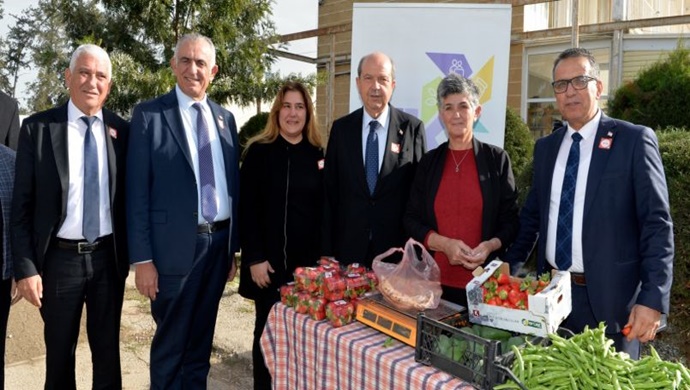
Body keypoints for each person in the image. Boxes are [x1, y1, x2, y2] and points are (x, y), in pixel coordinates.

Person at [504, 48, 674, 359]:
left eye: (579, 81)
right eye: (560, 85)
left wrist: (652, 299)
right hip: (552, 299)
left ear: (598, 86)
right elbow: (532, 217)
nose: (569, 92)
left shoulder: (633, 141)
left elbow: (656, 225)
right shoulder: (546, 148)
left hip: (613, 302)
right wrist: (510, 266)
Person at [11, 44, 130, 389]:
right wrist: (26, 269)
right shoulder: (37, 129)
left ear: (109, 85)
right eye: (84, 72)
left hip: (109, 259)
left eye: (101, 76)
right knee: (59, 355)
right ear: (68, 77)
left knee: (108, 355)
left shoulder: (123, 132)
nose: (92, 82)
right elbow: (20, 207)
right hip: (59, 263)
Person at [126, 33, 240, 389]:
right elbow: (136, 193)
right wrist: (142, 259)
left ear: (214, 71)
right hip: (172, 252)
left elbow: (231, 186)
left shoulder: (225, 119)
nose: (193, 69)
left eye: (201, 63)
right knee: (170, 348)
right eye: (186, 61)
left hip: (217, 247)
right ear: (173, 65)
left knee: (200, 346)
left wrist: (232, 248)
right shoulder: (149, 116)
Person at [404, 74, 519, 307]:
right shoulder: (429, 163)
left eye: (463, 106)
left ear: (476, 112)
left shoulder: (497, 160)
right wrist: (443, 244)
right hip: (434, 288)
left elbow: (511, 221)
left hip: (485, 287)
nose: (456, 114)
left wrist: (489, 246)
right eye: (448, 107)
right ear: (440, 115)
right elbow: (410, 219)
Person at [238, 81, 324, 390]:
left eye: (299, 107)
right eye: (287, 106)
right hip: (268, 270)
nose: (293, 113)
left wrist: (319, 267)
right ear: (277, 112)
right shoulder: (258, 153)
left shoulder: (318, 155)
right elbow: (246, 210)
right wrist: (255, 258)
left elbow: (322, 214)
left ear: (307, 113)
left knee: (302, 344)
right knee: (267, 340)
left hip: (305, 275)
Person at [323, 52, 426, 268]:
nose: (375, 86)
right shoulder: (341, 130)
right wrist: (326, 250)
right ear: (358, 83)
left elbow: (420, 197)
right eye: (368, 78)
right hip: (348, 250)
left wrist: (415, 253)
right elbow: (330, 192)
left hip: (397, 255)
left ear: (393, 85)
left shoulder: (412, 129)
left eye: (383, 79)